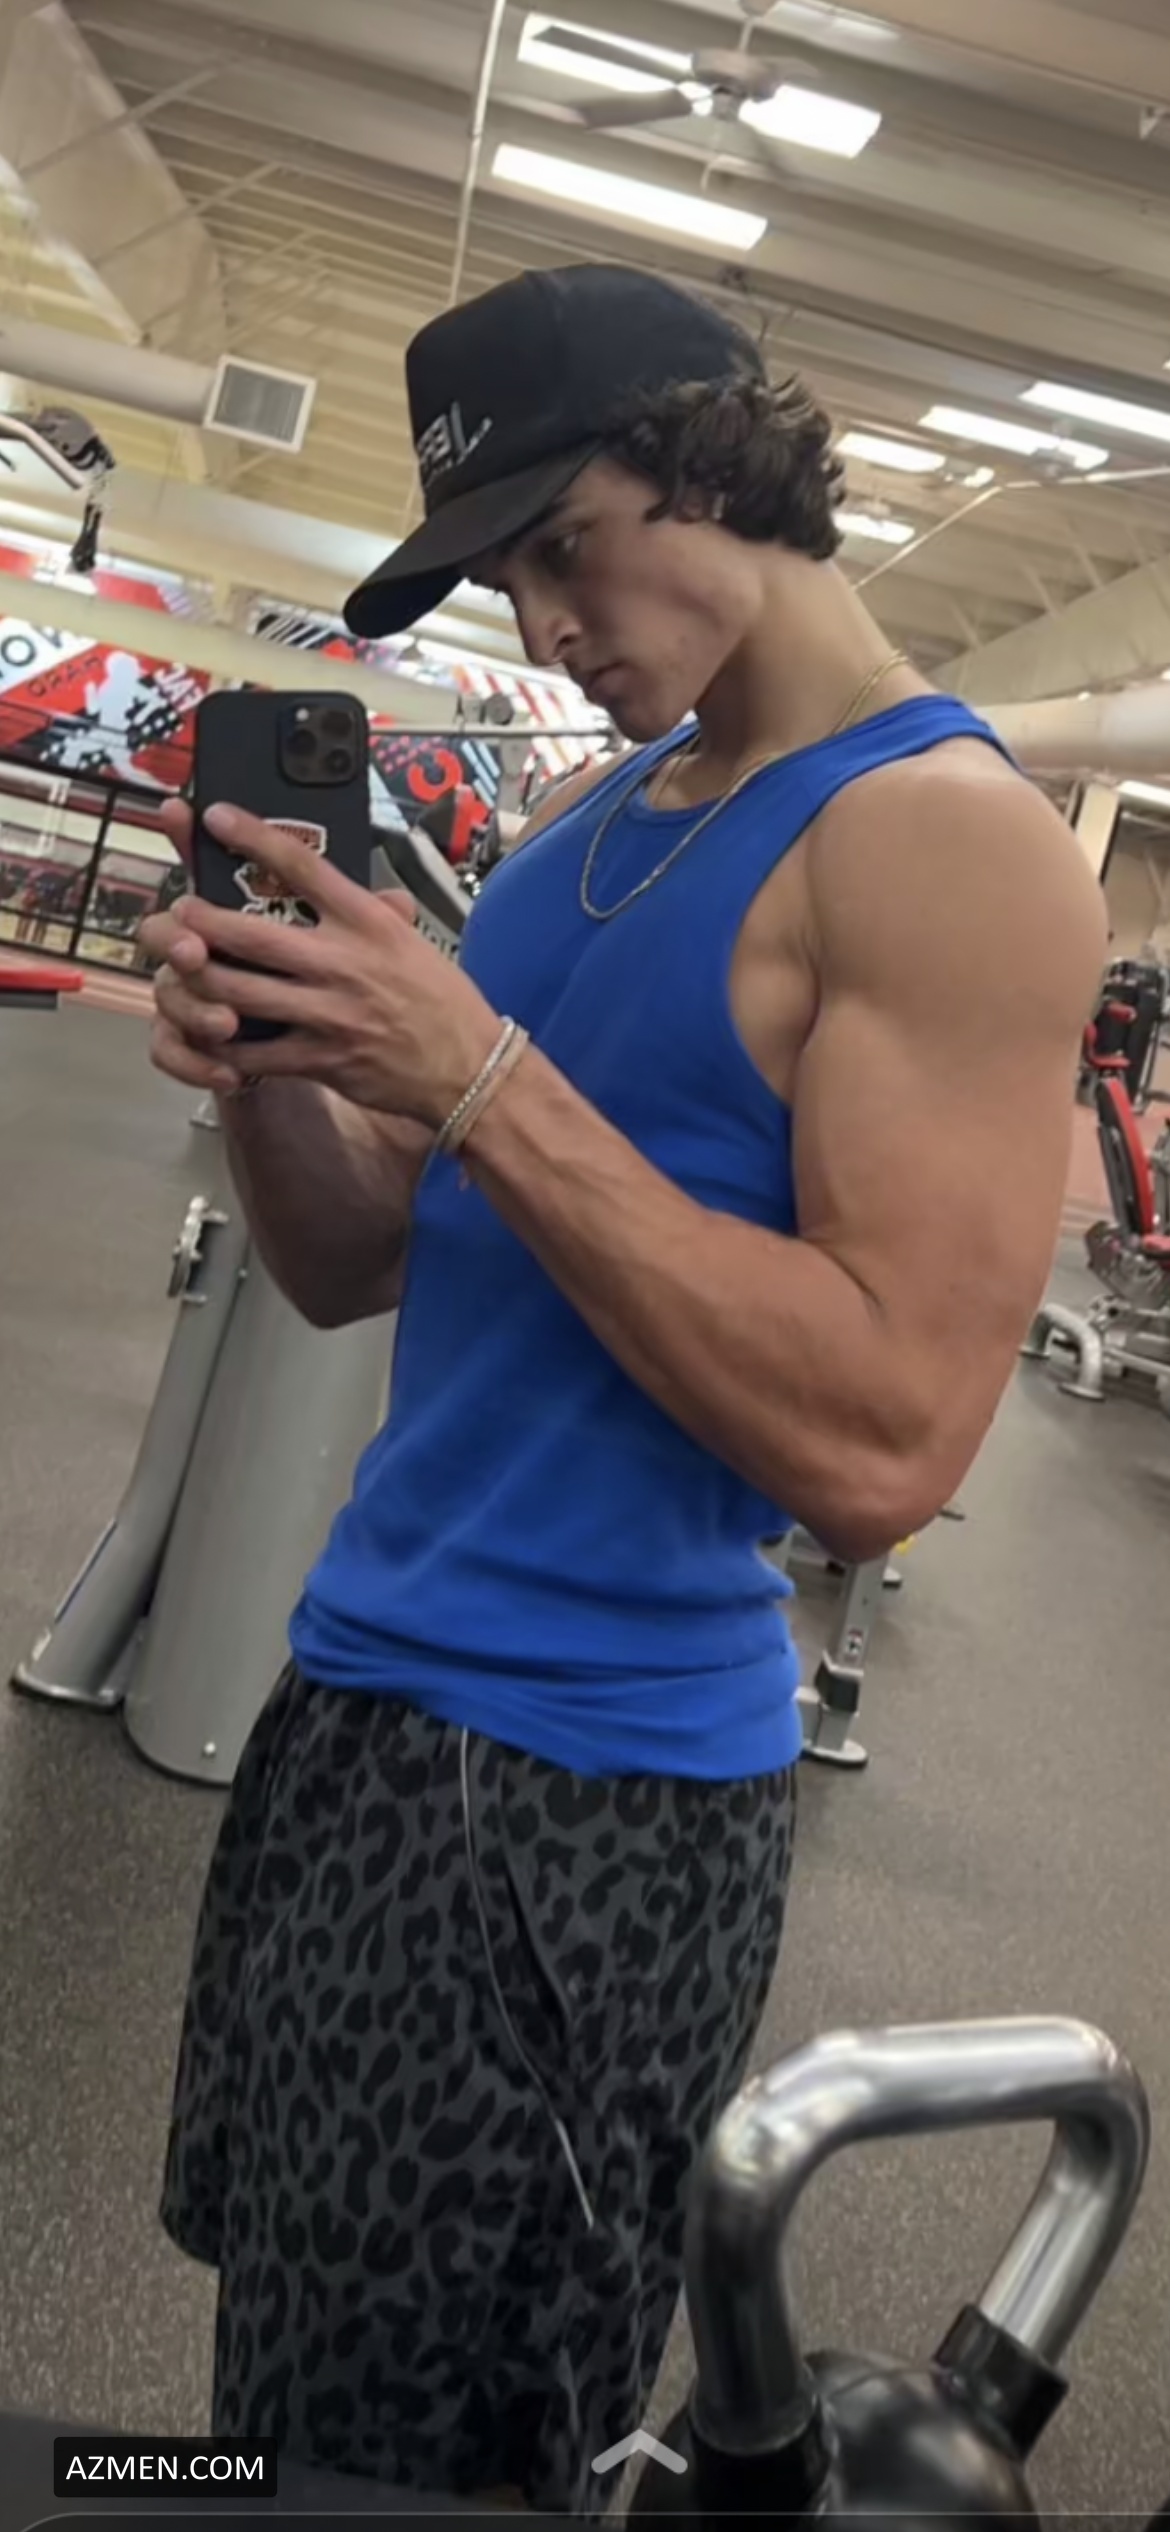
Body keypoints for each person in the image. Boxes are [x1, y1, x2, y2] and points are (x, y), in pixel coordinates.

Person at [141, 264, 1106, 2515]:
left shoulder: (936, 838)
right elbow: (348, 1261)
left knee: (438, 2461)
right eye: (507, 575)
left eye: (565, 543)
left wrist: (479, 1075)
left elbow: (885, 1451)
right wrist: (272, 1063)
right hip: (356, 1715)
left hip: (585, 1802)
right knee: (277, 2382)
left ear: (719, 463)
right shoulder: (600, 812)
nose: (547, 620)